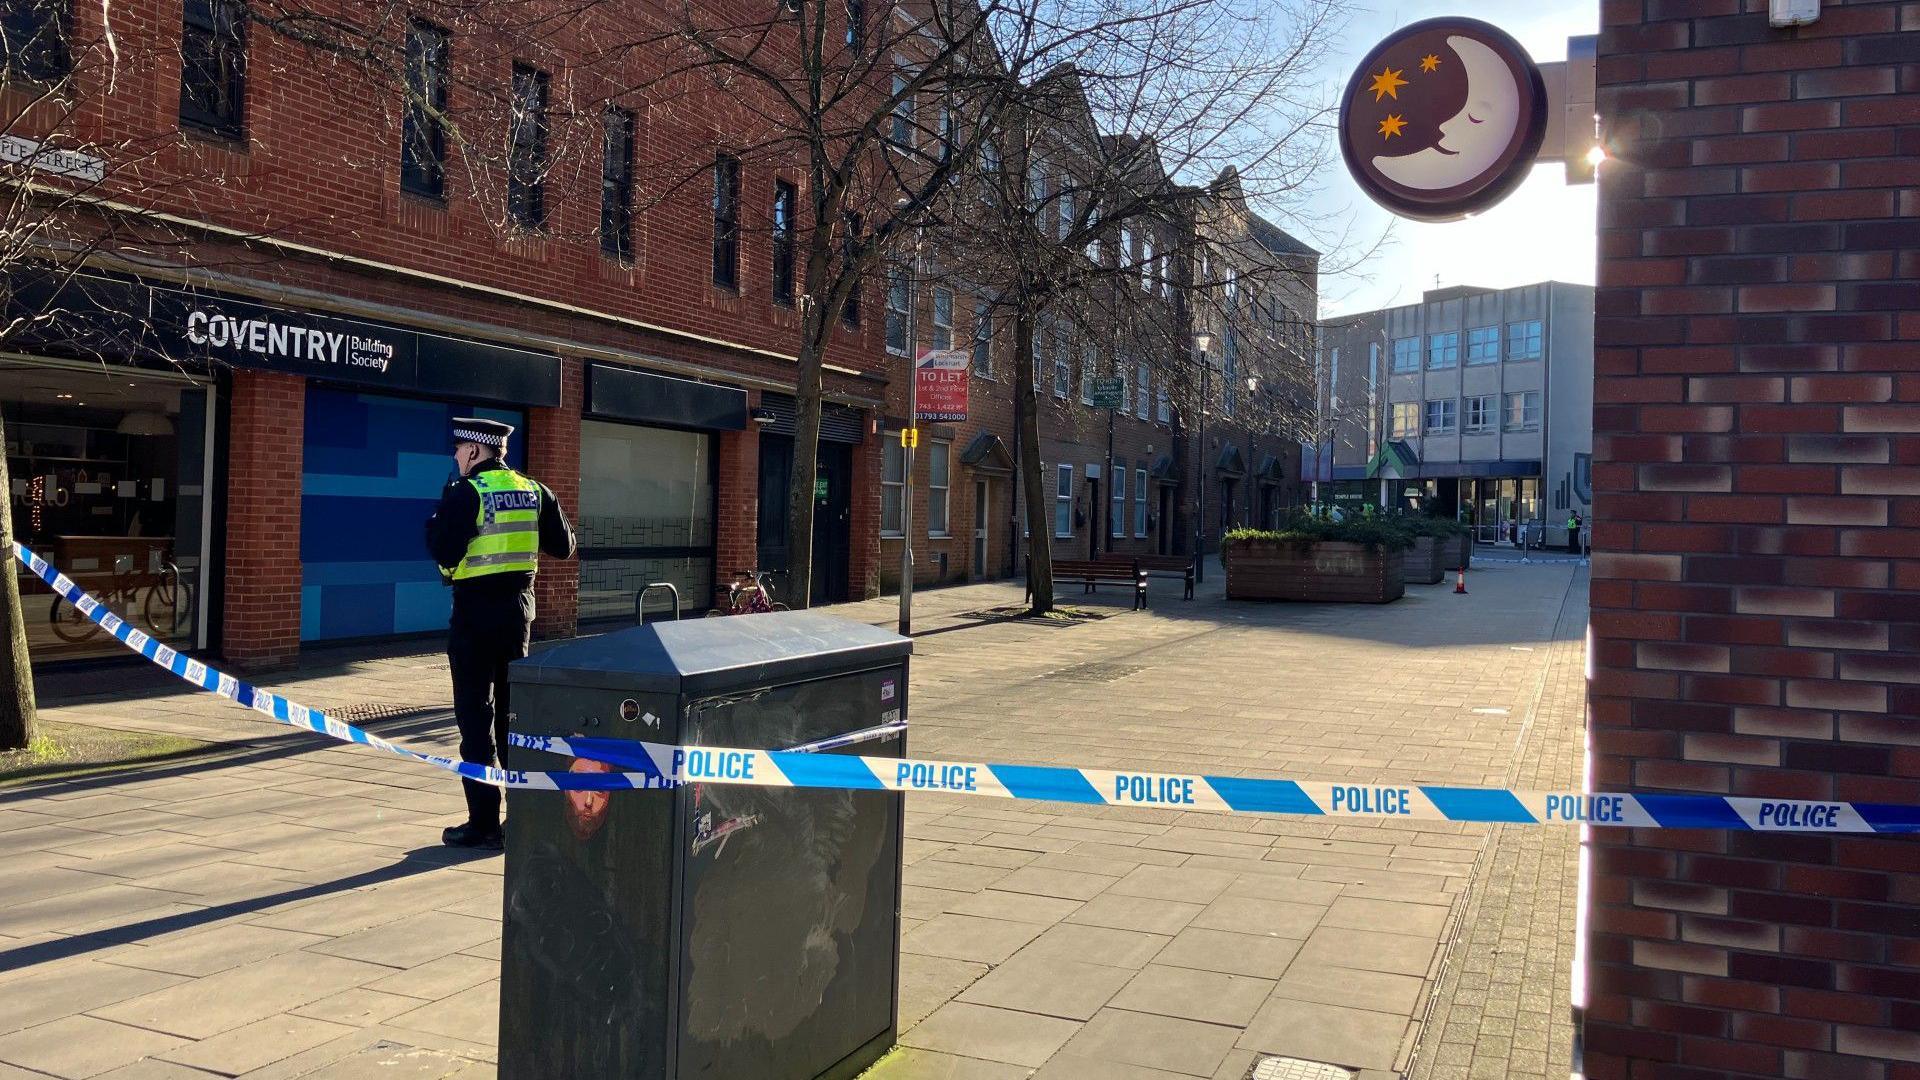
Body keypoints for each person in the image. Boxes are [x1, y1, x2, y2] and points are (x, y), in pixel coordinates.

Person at [425, 417, 575, 849]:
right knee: (515, 721)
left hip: (473, 620)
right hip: (517, 619)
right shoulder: (534, 490)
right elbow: (564, 546)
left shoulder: (466, 493)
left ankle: (483, 822)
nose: (455, 457)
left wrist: (438, 523)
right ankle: (521, 820)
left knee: (475, 722)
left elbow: (442, 549)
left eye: (459, 449)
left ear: (475, 451)